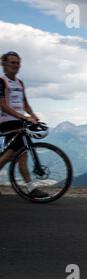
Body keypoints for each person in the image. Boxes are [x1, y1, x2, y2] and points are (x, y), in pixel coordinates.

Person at [0, 51, 48, 198]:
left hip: (19, 122)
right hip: (6, 122)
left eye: (18, 62)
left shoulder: (20, 83)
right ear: (4, 64)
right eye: (12, 62)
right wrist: (24, 117)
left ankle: (31, 189)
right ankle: (32, 189)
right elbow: (3, 105)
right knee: (14, 154)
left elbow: (25, 103)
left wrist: (32, 115)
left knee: (20, 155)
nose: (16, 65)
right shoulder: (1, 82)